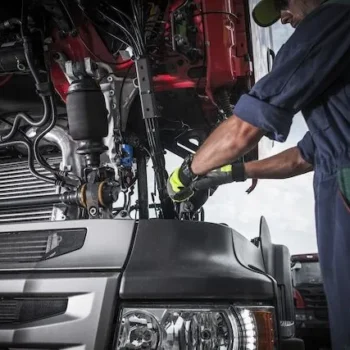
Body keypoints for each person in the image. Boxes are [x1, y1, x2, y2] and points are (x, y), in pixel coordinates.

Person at [167, 0, 350, 348]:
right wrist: (234, 172)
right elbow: (303, 156)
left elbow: (243, 130)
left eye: (284, 4)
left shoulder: (334, 18)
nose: (283, 16)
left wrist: (185, 174)